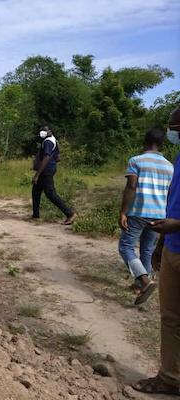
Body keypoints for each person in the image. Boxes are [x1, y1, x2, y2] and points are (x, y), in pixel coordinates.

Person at [132, 106, 180, 396]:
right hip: (173, 248)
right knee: (171, 319)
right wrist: (162, 245)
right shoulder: (176, 160)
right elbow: (172, 205)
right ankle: (170, 379)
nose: (173, 133)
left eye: (177, 128)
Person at [118, 129, 173, 305]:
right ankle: (139, 285)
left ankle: (144, 280)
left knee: (125, 247)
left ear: (144, 142)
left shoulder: (136, 161)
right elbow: (171, 194)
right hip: (159, 214)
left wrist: (123, 212)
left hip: (138, 211)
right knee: (147, 250)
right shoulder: (170, 166)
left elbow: (131, 187)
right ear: (162, 145)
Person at [32, 124, 77, 225]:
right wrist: (52, 164)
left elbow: (46, 158)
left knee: (51, 194)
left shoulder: (47, 142)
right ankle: (35, 215)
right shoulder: (54, 140)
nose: (42, 132)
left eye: (44, 130)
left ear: (50, 130)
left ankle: (70, 214)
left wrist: (37, 175)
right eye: (41, 130)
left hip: (45, 171)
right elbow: (59, 158)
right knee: (36, 190)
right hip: (49, 169)